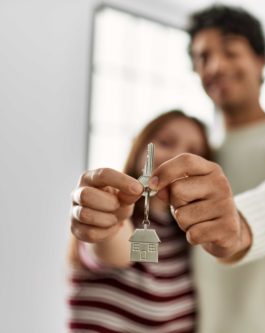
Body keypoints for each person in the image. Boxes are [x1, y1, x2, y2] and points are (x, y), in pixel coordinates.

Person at [70, 5, 265, 333]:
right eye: (203, 57)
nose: (216, 66)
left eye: (230, 51)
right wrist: (108, 227)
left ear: (261, 61)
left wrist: (240, 226)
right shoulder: (203, 157)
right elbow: (118, 250)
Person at [68, 110, 212, 332]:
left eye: (193, 153)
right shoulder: (118, 212)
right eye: (165, 142)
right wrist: (110, 219)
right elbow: (111, 244)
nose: (178, 157)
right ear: (139, 148)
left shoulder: (189, 238)